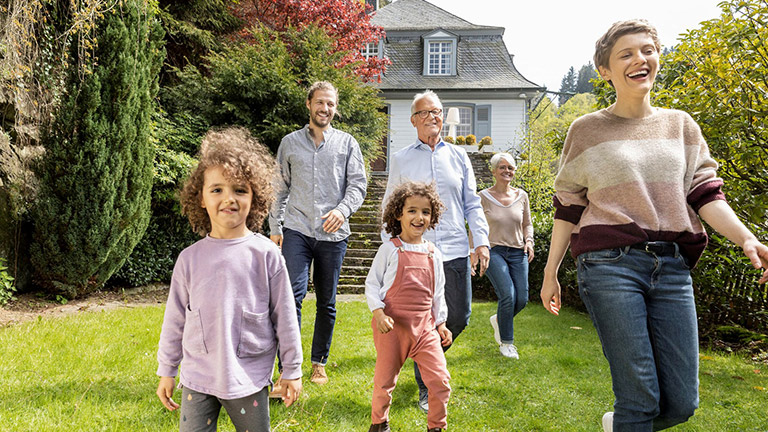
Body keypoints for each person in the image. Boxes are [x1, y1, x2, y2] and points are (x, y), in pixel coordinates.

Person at [540, 19, 768, 432]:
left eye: (647, 50)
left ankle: (620, 425)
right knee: (640, 395)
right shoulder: (586, 130)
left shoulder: (681, 126)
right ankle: (630, 419)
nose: (639, 59)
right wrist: (550, 270)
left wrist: (747, 239)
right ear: (605, 70)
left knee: (681, 403)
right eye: (625, 54)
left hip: (673, 268)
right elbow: (568, 206)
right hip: (609, 264)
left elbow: (706, 196)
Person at [156, 127, 303, 431]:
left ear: (255, 196)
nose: (229, 198)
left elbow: (286, 318)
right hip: (199, 376)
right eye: (217, 189)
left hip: (248, 375)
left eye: (240, 189)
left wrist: (292, 369)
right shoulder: (189, 259)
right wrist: (167, 369)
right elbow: (175, 320)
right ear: (201, 198)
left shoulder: (267, 255)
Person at [381, 90, 490, 412]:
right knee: (423, 319)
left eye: (438, 111)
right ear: (414, 120)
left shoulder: (458, 157)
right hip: (417, 253)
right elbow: (390, 204)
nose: (433, 117)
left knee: (459, 316)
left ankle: (421, 354)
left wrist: (480, 240)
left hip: (455, 248)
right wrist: (388, 249)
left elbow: (472, 202)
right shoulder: (401, 158)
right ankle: (428, 383)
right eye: (426, 112)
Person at [268, 81, 367, 387]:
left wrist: (342, 210)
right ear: (309, 104)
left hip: (333, 234)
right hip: (296, 229)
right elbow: (279, 188)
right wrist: (275, 228)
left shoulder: (347, 143)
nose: (326, 109)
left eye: (331, 104)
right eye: (321, 102)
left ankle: (318, 363)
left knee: (326, 301)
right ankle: (289, 365)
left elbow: (358, 185)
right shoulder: (289, 143)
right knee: (290, 297)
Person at [366, 181, 451, 432]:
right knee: (385, 381)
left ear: (432, 217)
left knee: (440, 379)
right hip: (392, 327)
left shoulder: (434, 253)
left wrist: (441, 323)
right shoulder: (389, 250)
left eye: (425, 212)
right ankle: (379, 424)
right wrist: (379, 313)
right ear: (398, 214)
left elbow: (438, 293)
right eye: (412, 210)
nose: (419, 217)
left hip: (424, 328)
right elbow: (372, 285)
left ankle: (436, 426)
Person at [478, 152, 533, 359]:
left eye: (510, 167)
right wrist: (474, 251)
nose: (507, 171)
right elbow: (476, 226)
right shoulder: (483, 197)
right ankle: (507, 343)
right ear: (493, 171)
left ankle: (499, 319)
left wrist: (529, 241)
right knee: (508, 295)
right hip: (494, 250)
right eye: (502, 167)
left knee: (522, 299)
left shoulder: (522, 196)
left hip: (518, 252)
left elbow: (527, 224)